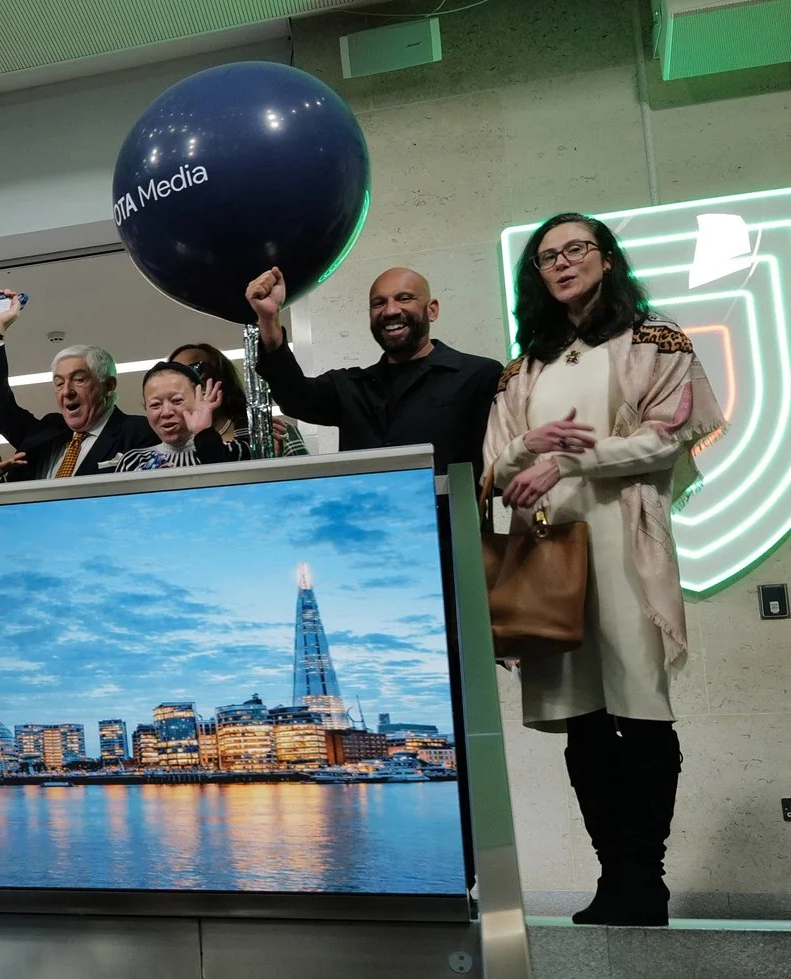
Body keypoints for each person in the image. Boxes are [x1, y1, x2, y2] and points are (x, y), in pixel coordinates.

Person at [485, 212, 722, 928]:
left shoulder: (655, 338)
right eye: (547, 256)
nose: (562, 263)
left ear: (608, 258)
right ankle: (611, 873)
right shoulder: (523, 367)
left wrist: (572, 458)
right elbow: (493, 466)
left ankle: (645, 876)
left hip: (622, 543)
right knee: (582, 723)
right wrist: (531, 445)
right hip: (549, 551)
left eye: (576, 249)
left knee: (641, 712)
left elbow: (670, 434)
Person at [246, 265, 501, 471]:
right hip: (366, 530)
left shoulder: (478, 376)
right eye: (378, 303)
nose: (390, 310)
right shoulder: (351, 388)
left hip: (451, 532)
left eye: (404, 298)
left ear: (431, 310)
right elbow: (295, 397)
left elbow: (498, 468)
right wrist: (269, 319)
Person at [0, 289, 158, 478]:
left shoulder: (140, 432)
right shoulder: (47, 431)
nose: (67, 391)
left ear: (109, 386)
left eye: (79, 380)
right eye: (59, 383)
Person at [168, 343, 306, 457]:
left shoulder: (270, 430)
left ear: (220, 376)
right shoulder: (167, 447)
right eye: (173, 375)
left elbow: (306, 484)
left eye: (196, 370)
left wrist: (273, 464)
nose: (186, 383)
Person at [101, 363, 242, 471]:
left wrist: (204, 433)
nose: (166, 412)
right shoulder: (132, 462)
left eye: (177, 401)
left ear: (200, 400)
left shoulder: (235, 451)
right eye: (155, 405)